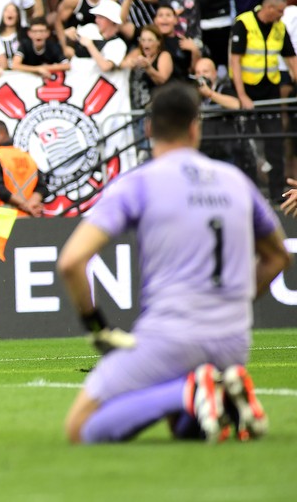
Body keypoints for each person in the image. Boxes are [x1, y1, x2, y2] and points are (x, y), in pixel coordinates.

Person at [57, 82, 291, 444]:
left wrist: (96, 326)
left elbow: (72, 261)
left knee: (80, 428)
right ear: (195, 126)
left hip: (171, 336)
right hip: (233, 342)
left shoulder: (138, 182)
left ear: (149, 129)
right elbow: (277, 257)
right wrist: (233, 301)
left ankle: (188, 392)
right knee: (182, 430)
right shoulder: (235, 181)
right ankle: (208, 394)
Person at [229, 0, 297, 200]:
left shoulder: (279, 27)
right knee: (246, 144)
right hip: (248, 90)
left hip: (270, 91)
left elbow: (291, 59)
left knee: (275, 142)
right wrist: (241, 94)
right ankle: (248, 193)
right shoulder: (244, 23)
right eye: (280, 11)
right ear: (269, 8)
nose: (282, 16)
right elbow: (235, 60)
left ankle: (279, 193)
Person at [0, 120, 48, 218]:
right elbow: (42, 187)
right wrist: (32, 204)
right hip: (27, 219)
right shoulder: (27, 157)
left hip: (0, 221)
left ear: (1, 134)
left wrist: (26, 206)